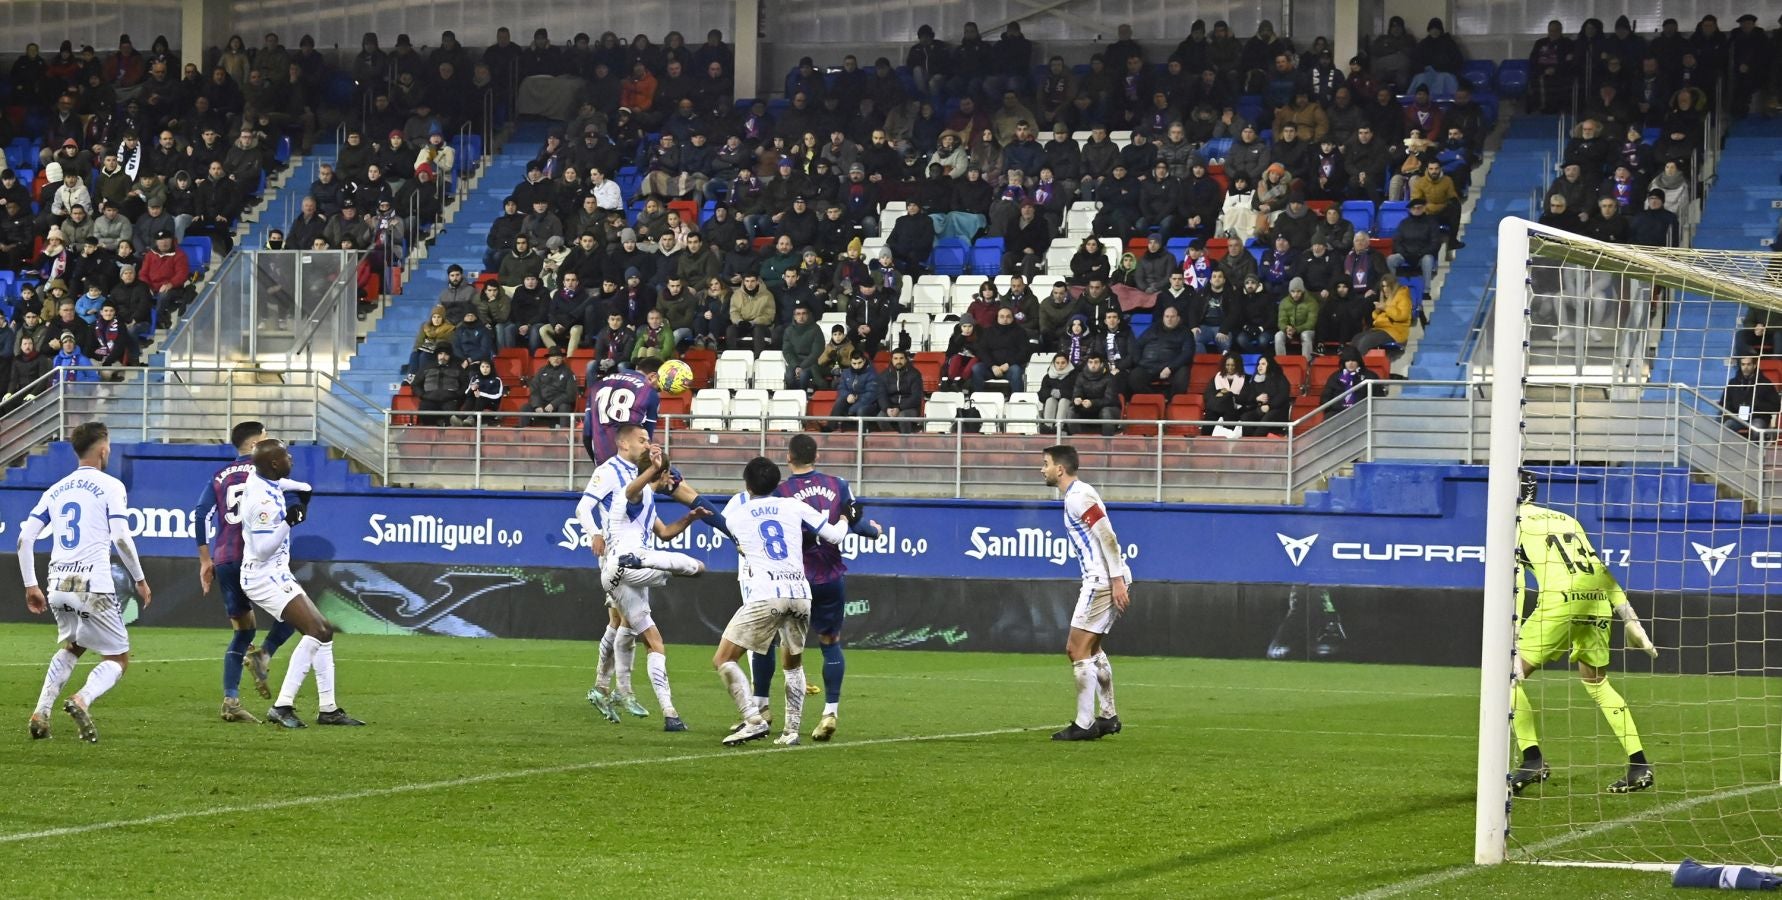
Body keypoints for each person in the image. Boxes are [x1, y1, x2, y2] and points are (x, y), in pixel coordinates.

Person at [1510, 469, 1657, 795]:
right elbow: (1598, 569)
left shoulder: (1512, 522)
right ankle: (1639, 765)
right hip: (1596, 599)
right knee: (1597, 682)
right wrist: (1630, 618)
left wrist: (1513, 629)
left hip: (1560, 604)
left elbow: (1516, 583)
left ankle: (1531, 759)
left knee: (1506, 678)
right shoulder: (1566, 519)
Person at [715, 457, 879, 746]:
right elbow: (834, 536)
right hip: (801, 593)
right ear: (777, 484)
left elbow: (731, 536)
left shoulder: (738, 515)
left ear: (747, 485)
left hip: (767, 593)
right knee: (792, 665)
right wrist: (844, 517)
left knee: (723, 659)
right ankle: (791, 732)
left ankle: (753, 718)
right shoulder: (794, 506)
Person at [16, 422, 151, 741]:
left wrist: (30, 585)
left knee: (74, 646)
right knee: (118, 658)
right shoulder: (111, 486)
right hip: (91, 582)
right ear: (103, 449)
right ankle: (82, 699)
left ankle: (41, 711)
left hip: (58, 582)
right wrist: (140, 580)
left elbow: (24, 539)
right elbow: (120, 536)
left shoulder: (56, 489)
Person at [575, 433, 708, 732]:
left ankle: (664, 710)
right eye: (670, 477)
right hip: (622, 562)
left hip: (626, 570)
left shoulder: (646, 500)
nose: (672, 483)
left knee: (637, 632)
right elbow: (614, 497)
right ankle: (608, 687)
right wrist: (595, 532)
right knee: (693, 567)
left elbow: (664, 532)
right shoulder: (626, 484)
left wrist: (690, 518)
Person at [238, 439, 366, 728]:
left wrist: (303, 491)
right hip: (262, 575)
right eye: (286, 455)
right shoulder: (263, 503)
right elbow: (261, 550)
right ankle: (282, 706)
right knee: (317, 630)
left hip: (275, 572)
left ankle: (329, 709)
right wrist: (288, 522)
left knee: (324, 633)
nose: (291, 458)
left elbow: (287, 486)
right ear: (273, 463)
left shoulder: (261, 479)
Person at [192, 421, 299, 724]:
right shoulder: (266, 473)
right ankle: (264, 654)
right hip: (256, 558)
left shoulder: (218, 476)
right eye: (266, 440)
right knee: (296, 614)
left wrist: (204, 560)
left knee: (243, 632)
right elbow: (289, 501)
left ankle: (231, 700)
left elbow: (200, 515)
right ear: (255, 446)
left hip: (224, 558)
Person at [1040, 444, 1128, 741]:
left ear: (1060, 469)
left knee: (1075, 650)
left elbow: (1108, 535)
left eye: (1046, 464)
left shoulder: (1079, 496)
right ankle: (1108, 716)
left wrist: (1115, 580)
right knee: (1092, 650)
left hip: (1101, 581)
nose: (1043, 469)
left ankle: (1085, 723)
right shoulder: (1078, 495)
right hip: (1106, 579)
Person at [1351, 272, 1412, 356]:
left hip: (1395, 331)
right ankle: (1350, 363)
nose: (1385, 289)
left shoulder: (1403, 296)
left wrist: (1385, 308)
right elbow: (1376, 317)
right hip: (1380, 329)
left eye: (1387, 286)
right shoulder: (1385, 297)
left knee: (1366, 341)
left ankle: (1359, 365)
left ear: (1393, 285)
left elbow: (1402, 316)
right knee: (1356, 339)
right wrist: (1377, 311)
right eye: (1383, 286)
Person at [1722, 356, 1779, 438]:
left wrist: (1756, 405)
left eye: (1748, 364)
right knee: (1726, 427)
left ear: (1754, 365)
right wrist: (1735, 409)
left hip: (1758, 417)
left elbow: (1776, 406)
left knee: (1757, 429)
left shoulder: (1765, 383)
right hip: (1738, 417)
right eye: (1743, 364)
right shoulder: (1733, 383)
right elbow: (1724, 403)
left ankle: (1755, 450)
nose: (1745, 367)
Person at [522, 347, 578, 427]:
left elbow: (570, 394)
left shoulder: (568, 373)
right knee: (525, 408)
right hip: (542, 404)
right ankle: (523, 434)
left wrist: (553, 404)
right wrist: (537, 405)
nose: (556, 359)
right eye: (553, 357)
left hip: (558, 405)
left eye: (558, 357)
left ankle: (564, 434)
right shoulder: (541, 371)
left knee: (564, 407)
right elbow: (534, 389)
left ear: (562, 359)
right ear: (549, 358)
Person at [1239, 356, 1293, 436]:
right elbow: (1249, 396)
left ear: (1270, 365)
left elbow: (1283, 396)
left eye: (1263, 364)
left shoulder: (1279, 378)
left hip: (1277, 410)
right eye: (1259, 364)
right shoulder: (1255, 379)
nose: (1259, 366)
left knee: (1267, 418)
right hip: (1260, 409)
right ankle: (1248, 441)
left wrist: (1269, 406)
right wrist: (1256, 398)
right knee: (1245, 417)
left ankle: (1255, 441)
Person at [878, 349, 925, 433]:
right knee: (880, 417)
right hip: (890, 407)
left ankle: (906, 441)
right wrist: (887, 408)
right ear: (891, 360)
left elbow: (916, 397)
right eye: (895, 358)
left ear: (906, 359)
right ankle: (893, 439)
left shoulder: (915, 374)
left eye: (901, 358)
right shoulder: (884, 375)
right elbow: (881, 395)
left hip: (910, 408)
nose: (898, 361)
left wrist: (899, 408)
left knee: (902, 416)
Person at [1202, 353, 1248, 435]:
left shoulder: (1244, 379)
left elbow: (1245, 398)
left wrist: (1229, 395)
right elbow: (1208, 395)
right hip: (1217, 408)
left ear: (1237, 366)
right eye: (1227, 365)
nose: (1230, 368)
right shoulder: (1217, 378)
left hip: (1235, 410)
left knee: (1229, 401)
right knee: (1210, 413)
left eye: (1233, 365)